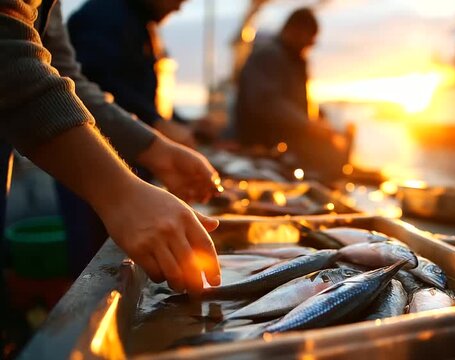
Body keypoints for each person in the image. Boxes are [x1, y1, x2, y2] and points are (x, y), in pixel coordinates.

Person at [0, 0, 221, 295]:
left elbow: (67, 79)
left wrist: (158, 150)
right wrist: (119, 193)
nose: (180, 8)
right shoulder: (105, 16)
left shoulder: (138, 24)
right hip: (81, 171)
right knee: (87, 263)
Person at [67, 0, 218, 148]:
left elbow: (145, 96)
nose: (178, 8)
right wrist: (156, 123)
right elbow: (97, 86)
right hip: (107, 153)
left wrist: (186, 125)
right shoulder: (102, 17)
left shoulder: (140, 22)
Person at [234, 8, 351, 180]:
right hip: (264, 148)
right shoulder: (268, 56)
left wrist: (322, 121)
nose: (309, 46)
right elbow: (266, 103)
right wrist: (309, 125)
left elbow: (299, 103)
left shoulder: (292, 60)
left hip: (285, 150)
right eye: (309, 41)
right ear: (293, 30)